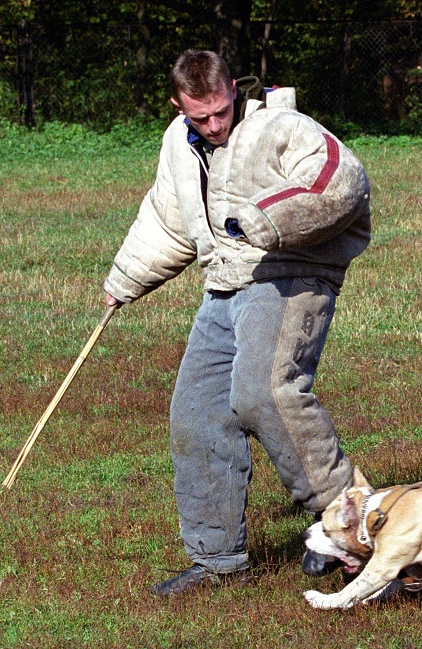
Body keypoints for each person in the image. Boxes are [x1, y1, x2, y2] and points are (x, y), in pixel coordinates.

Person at [103, 49, 371, 595]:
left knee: (264, 393)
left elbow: (340, 180)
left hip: (289, 272)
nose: (213, 125)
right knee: (196, 415)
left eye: (221, 111)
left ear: (233, 90)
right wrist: (125, 280)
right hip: (222, 285)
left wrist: (264, 219)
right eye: (199, 117)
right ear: (178, 106)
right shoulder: (178, 144)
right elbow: (167, 219)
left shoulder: (281, 126)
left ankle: (357, 530)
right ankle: (217, 562)